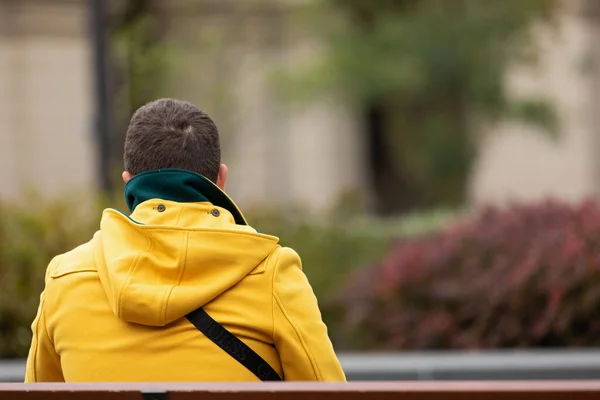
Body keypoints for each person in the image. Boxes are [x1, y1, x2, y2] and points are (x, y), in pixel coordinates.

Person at [25, 98, 346, 382]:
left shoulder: (65, 277)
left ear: (128, 182)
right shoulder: (272, 273)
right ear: (220, 179)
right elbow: (327, 390)